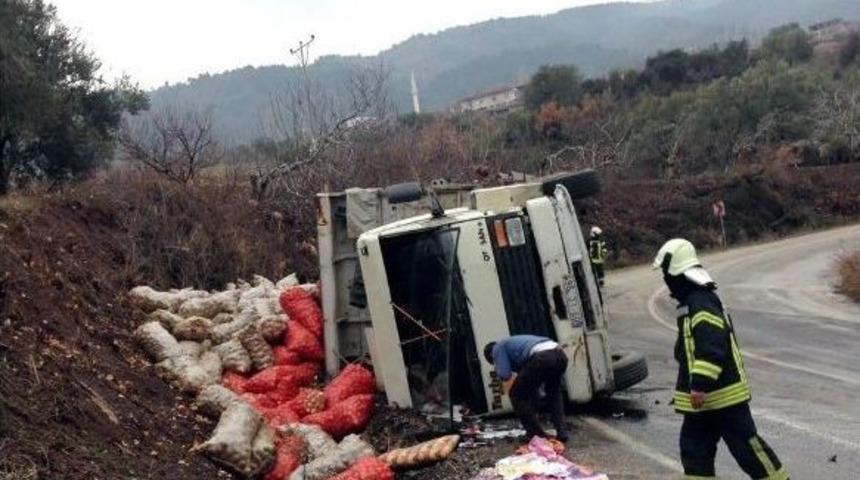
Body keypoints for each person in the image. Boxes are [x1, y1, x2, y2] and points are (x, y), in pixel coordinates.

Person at [653, 239, 788, 480]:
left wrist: (699, 384)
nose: (665, 280)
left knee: (747, 450)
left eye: (666, 273)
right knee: (694, 452)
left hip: (723, 396)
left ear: (678, 273)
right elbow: (689, 347)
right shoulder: (691, 302)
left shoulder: (701, 301)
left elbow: (712, 345)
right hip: (702, 401)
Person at [483, 335, 570, 442]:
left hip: (543, 357)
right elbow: (529, 380)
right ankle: (562, 433)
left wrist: (498, 367)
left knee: (516, 394)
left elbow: (505, 375)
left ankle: (537, 436)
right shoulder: (514, 345)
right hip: (560, 355)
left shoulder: (497, 348)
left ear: (491, 355)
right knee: (554, 394)